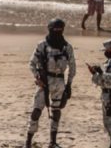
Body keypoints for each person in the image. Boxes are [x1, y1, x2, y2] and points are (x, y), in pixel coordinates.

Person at [25, 18, 76, 148]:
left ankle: (52, 142)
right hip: (44, 82)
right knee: (36, 110)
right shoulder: (42, 45)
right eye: (56, 29)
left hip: (60, 82)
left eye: (60, 29)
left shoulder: (67, 47)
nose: (58, 32)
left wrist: (69, 85)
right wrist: (37, 77)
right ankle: (28, 142)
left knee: (56, 111)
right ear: (50, 29)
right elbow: (31, 63)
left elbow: (72, 67)